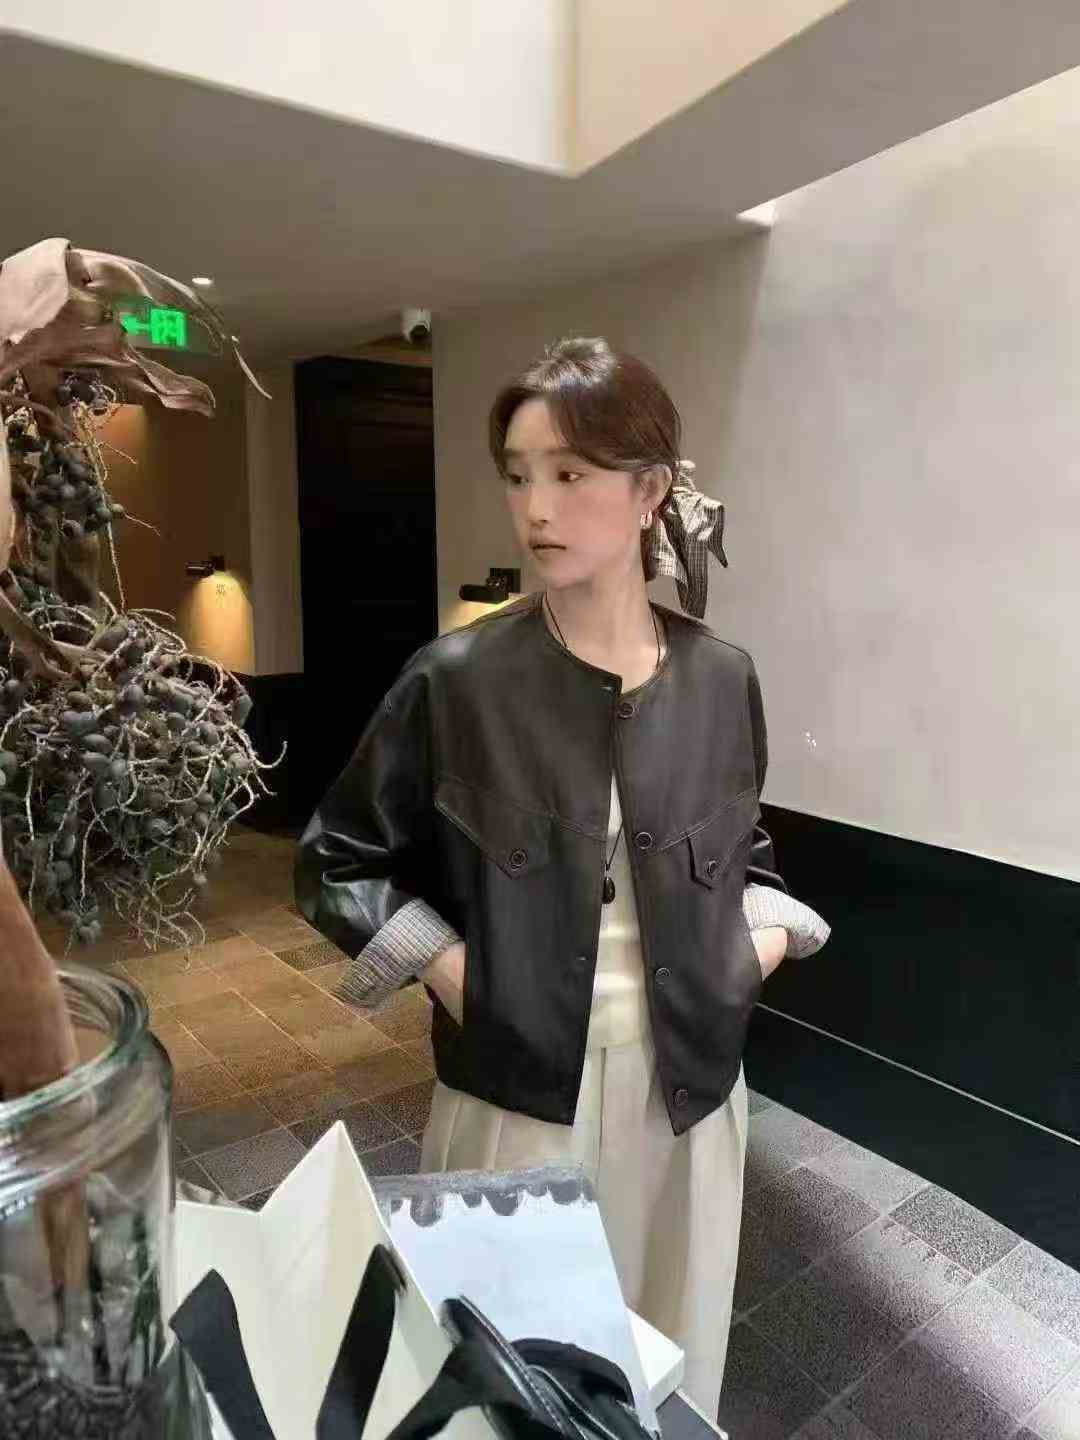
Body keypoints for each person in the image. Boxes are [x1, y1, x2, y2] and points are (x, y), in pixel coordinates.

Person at [296, 337, 829, 1416]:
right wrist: (459, 978)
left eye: (571, 473)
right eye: (518, 475)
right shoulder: (456, 681)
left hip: (690, 1098)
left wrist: (753, 955)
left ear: (650, 492)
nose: (535, 507)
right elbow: (336, 862)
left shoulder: (721, 679)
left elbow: (750, 856)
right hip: (516, 1093)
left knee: (672, 1370)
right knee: (511, 1385)